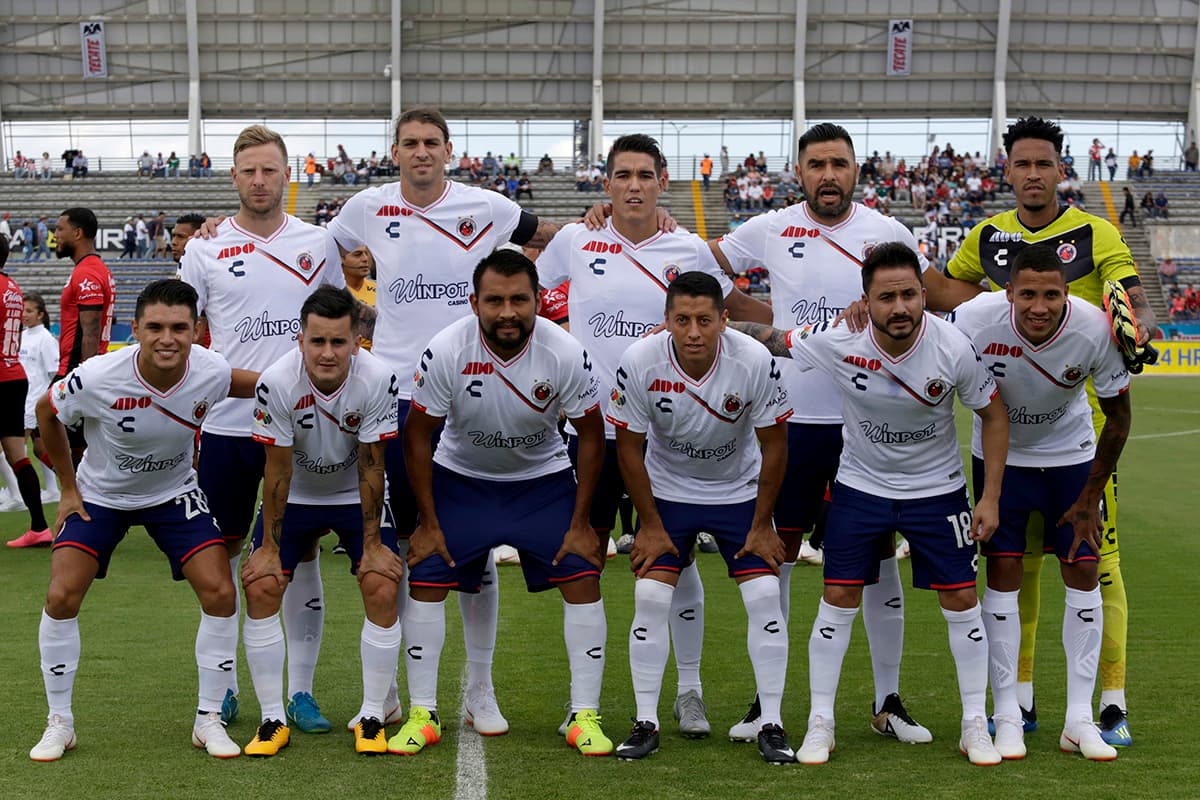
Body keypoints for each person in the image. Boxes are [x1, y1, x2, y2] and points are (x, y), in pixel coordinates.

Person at [325, 107, 564, 734]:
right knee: (409, 544)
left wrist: (608, 222)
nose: (422, 152)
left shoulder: (488, 207)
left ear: (449, 150)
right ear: (395, 152)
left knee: (475, 544)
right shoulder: (368, 207)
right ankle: (391, 694)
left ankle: (479, 689)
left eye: (432, 142)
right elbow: (314, 250)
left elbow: (554, 237)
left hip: (473, 387)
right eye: (410, 143)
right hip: (399, 394)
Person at [919, 116, 1150, 747]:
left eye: (1043, 164)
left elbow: (1133, 304)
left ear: (1059, 168)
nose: (1032, 175)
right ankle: (1017, 699)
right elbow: (945, 295)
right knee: (1016, 569)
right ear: (1008, 169)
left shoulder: (1096, 230)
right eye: (1021, 164)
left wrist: (1140, 328)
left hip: (1088, 423)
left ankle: (1109, 702)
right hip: (1007, 431)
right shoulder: (988, 236)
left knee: (1099, 564)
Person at [733, 242, 1009, 765]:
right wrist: (704, 328)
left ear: (924, 295)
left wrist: (989, 497)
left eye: (909, 294)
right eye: (886, 297)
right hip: (861, 488)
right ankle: (821, 722)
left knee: (960, 600)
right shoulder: (840, 338)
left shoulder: (953, 346)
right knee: (837, 595)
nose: (899, 307)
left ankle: (975, 722)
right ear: (866, 300)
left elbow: (993, 415)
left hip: (938, 490)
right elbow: (776, 341)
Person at [711, 122, 935, 743]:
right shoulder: (772, 227)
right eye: (816, 164)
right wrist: (764, 318)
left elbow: (917, 303)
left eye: (839, 163)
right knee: (773, 560)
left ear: (856, 169)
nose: (828, 174)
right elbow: (699, 267)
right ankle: (768, 702)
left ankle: (887, 700)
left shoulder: (887, 233)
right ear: (799, 171)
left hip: (870, 427)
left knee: (878, 562)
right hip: (790, 423)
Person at [552, 134, 771, 737]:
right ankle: (584, 702)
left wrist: (797, 326)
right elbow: (529, 298)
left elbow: (732, 310)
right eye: (622, 175)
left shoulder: (688, 245)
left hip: (669, 433)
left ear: (663, 181)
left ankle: (690, 693)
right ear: (606, 184)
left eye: (645, 175)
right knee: (586, 560)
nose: (633, 186)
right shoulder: (577, 239)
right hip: (592, 429)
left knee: (674, 561)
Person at [28, 279, 257, 761]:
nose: (167, 338)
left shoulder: (210, 370)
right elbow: (46, 410)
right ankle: (59, 723)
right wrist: (68, 489)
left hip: (172, 492)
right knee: (61, 594)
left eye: (179, 327)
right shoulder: (98, 376)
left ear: (196, 330)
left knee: (219, 590)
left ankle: (208, 718)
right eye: (155, 327)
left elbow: (258, 386)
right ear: (135, 329)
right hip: (101, 496)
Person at [398, 250, 610, 756]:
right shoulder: (447, 348)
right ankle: (422, 713)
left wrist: (582, 522)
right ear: (474, 303)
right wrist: (427, 522)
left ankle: (583, 714)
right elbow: (417, 436)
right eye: (495, 300)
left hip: (541, 480)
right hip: (462, 477)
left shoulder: (563, 351)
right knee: (428, 576)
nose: (508, 312)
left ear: (539, 300)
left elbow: (593, 436)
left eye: (520, 299)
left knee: (582, 573)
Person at [179, 125, 346, 731]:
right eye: (247, 170)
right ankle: (220, 687)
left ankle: (299, 692)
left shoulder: (319, 242)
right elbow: (185, 334)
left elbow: (336, 327)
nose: (258, 181)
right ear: (233, 178)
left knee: (299, 556)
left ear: (286, 176)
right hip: (228, 423)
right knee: (216, 556)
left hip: (305, 425)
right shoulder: (204, 249)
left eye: (269, 170)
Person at [952, 245, 1129, 762]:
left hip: (1070, 458)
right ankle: (1006, 716)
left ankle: (1079, 720)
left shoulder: (1095, 328)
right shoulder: (972, 321)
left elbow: (1118, 419)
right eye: (1027, 293)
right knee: (1004, 572)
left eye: (1051, 294)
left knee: (1084, 570)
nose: (1039, 306)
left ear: (1067, 293)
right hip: (999, 460)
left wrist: (1089, 499)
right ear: (1007, 293)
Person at [607, 272, 794, 763]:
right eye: (682, 320)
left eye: (704, 320)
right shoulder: (640, 360)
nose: (693, 332)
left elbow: (776, 446)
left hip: (737, 492)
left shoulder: (753, 359)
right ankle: (646, 720)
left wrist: (761, 524)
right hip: (668, 492)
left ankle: (771, 722)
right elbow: (628, 447)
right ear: (666, 320)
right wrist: (648, 524)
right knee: (649, 595)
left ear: (724, 320)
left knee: (764, 594)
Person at [239, 286, 404, 757]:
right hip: (296, 495)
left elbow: (373, 465)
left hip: (354, 493)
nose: (327, 353)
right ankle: (272, 718)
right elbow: (277, 470)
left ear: (357, 341)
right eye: (317, 342)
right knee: (262, 584)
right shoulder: (276, 381)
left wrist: (372, 544)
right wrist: (269, 550)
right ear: (300, 340)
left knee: (380, 580)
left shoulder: (378, 378)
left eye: (338, 342)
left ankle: (373, 715)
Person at [0, 236, 53, 546]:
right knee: (17, 454)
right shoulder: (13, 289)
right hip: (13, 375)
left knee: (16, 454)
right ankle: (39, 527)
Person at [18, 292, 61, 506]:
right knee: (40, 448)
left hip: (34, 401)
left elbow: (54, 372)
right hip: (22, 397)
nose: (24, 314)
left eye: (29, 311)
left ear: (41, 314)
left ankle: (16, 494)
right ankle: (55, 489)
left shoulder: (46, 338)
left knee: (12, 446)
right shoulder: (22, 336)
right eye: (22, 310)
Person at [341, 245, 376, 350]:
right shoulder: (335, 292)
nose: (365, 259)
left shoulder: (382, 289)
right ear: (341, 259)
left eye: (366, 253)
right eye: (357, 254)